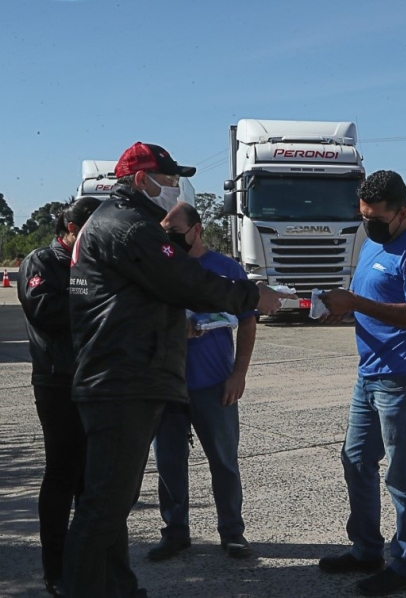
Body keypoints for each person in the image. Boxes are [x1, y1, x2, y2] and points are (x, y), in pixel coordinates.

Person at [62, 142, 293, 598]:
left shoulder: (118, 223)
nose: (174, 189)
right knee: (102, 508)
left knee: (112, 503)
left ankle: (117, 587)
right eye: (168, 180)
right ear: (141, 180)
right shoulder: (128, 228)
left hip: (122, 378)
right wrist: (251, 296)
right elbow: (185, 280)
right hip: (122, 383)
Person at [316, 170, 406, 597]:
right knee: (356, 462)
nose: (367, 223)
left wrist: (354, 302)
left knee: (403, 474)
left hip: (404, 376)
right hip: (370, 373)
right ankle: (367, 549)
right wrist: (345, 307)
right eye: (363, 215)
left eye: (375, 217)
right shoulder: (375, 242)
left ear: (402, 212)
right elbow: (371, 301)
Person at [148, 202, 256, 561]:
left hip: (215, 385)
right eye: (164, 232)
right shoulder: (161, 268)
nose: (169, 239)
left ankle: (232, 533)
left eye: (175, 232)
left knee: (224, 462)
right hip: (168, 386)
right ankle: (175, 533)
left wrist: (238, 374)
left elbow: (248, 321)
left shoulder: (225, 270)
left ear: (196, 231)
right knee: (169, 463)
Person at [17, 197, 102, 596]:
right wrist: (93, 302)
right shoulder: (42, 262)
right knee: (62, 475)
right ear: (70, 229)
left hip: (96, 382)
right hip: (58, 383)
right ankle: (55, 569)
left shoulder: (92, 262)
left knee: (93, 479)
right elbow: (44, 312)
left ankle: (87, 562)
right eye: (89, 230)